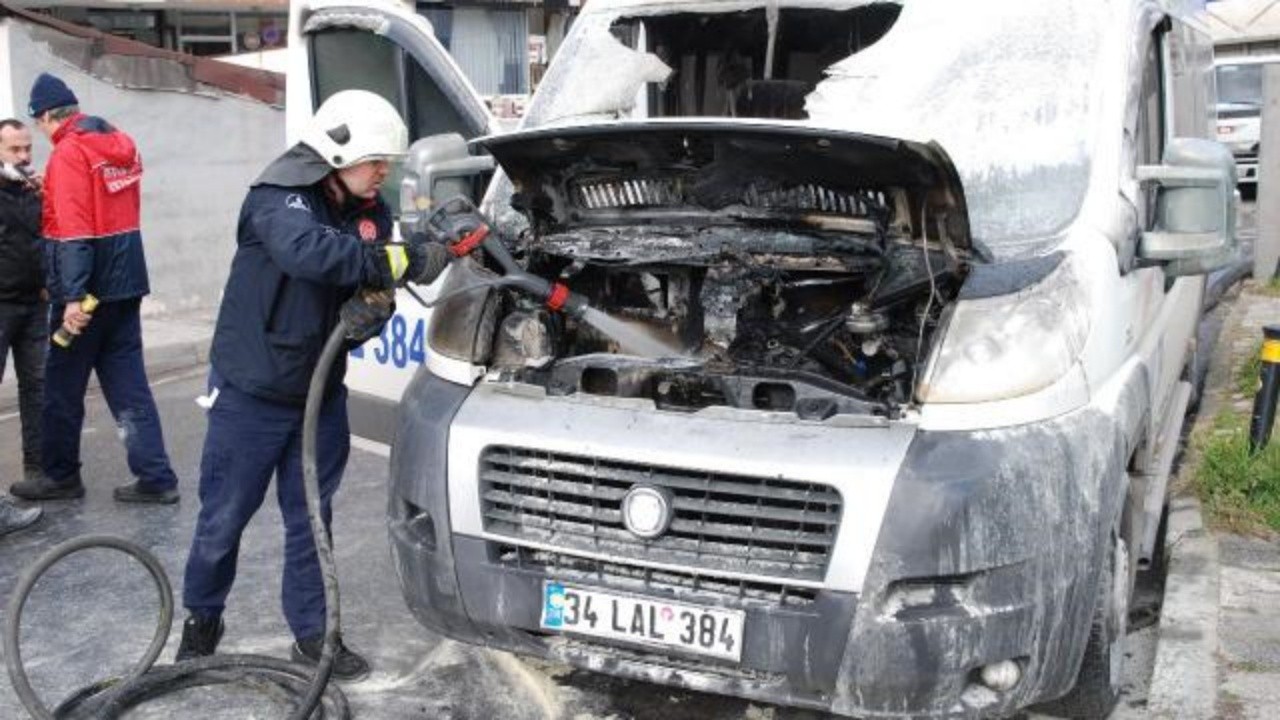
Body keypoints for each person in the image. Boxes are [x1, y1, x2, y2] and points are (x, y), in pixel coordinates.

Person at [175, 90, 437, 681]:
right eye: (375, 162)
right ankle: (201, 623)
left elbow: (374, 283)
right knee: (224, 517)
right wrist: (399, 262)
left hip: (319, 394)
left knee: (312, 518)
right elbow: (311, 255)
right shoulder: (278, 196)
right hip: (251, 392)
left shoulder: (371, 211)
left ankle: (314, 634)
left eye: (387, 165)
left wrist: (377, 311)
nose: (383, 174)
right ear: (337, 152)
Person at [9, 73, 180, 504]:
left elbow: (74, 231)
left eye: (40, 126)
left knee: (61, 387)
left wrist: (70, 297)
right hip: (126, 284)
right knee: (129, 384)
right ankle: (156, 477)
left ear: (48, 115)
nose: (43, 136)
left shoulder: (69, 152)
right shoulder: (117, 142)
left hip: (86, 292)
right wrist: (49, 188)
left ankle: (60, 476)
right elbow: (106, 206)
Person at [0, 118, 44, 536]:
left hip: (32, 304)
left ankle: (39, 472)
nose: (25, 157)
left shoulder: (30, 189)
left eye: (27, 148)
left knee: (37, 386)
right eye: (15, 150)